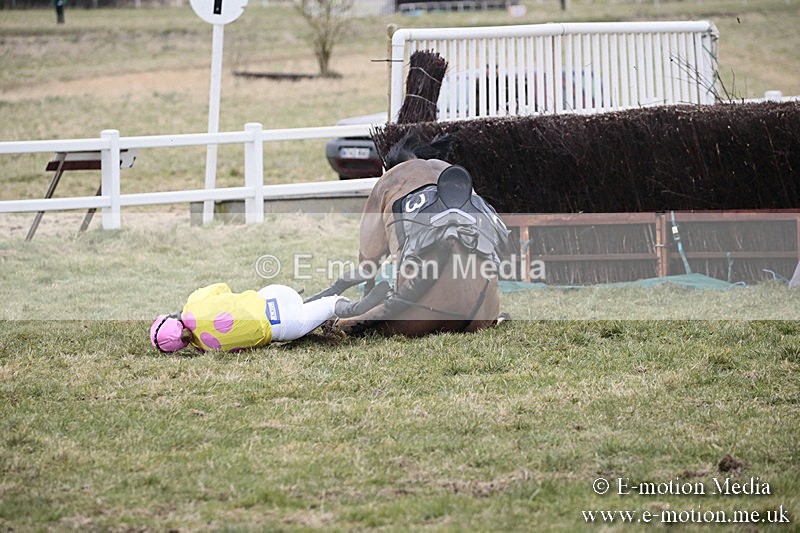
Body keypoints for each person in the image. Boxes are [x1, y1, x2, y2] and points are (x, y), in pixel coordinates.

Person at [150, 281, 389, 353]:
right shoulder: (194, 303)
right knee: (304, 303)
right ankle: (340, 284)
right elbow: (222, 287)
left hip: (284, 327)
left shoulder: (206, 350)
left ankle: (358, 304)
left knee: (327, 307)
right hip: (273, 295)